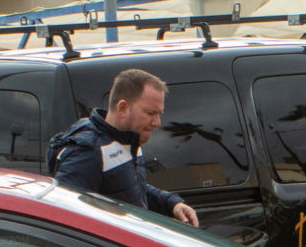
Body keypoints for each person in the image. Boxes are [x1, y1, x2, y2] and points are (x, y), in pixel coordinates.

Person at [47, 68, 200, 225]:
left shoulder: (129, 140)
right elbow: (65, 216)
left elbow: (130, 188)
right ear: (122, 108)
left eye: (159, 114)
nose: (157, 122)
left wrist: (172, 204)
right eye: (150, 113)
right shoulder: (88, 151)